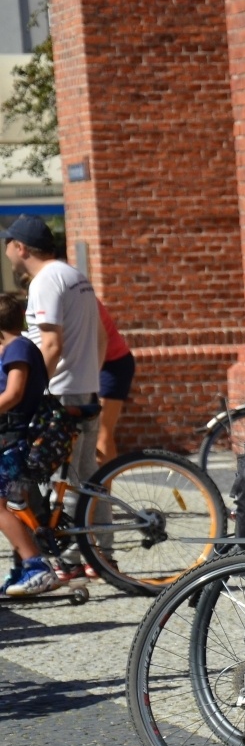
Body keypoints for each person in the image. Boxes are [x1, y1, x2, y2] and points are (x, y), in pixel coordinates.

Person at [3, 215, 104, 551]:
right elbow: (101, 336)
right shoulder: (75, 276)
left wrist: (31, 393)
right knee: (89, 479)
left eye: (7, 245)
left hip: (59, 392)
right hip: (84, 386)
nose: (6, 252)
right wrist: (88, 374)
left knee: (63, 480)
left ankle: (72, 558)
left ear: (20, 247)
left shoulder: (45, 281)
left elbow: (51, 344)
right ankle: (102, 554)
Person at [0, 291, 57, 596]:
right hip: (13, 437)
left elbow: (13, 394)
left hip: (14, 440)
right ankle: (24, 566)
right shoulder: (17, 347)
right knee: (15, 506)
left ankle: (37, 566)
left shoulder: (18, 349)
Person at [95, 300, 135, 464]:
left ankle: (106, 480)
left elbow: (101, 338)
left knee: (102, 431)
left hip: (113, 364)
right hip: (95, 365)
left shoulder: (81, 295)